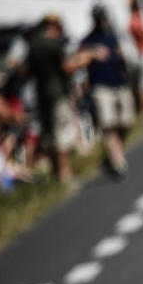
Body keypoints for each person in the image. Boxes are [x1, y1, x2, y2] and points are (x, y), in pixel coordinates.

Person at [25, 13, 96, 185]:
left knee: (50, 135)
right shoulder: (54, 43)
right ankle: (65, 175)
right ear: (54, 25)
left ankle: (56, 173)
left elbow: (27, 70)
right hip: (57, 94)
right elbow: (66, 68)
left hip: (42, 95)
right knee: (61, 135)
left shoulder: (34, 44)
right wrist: (82, 61)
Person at [81, 5, 135, 177]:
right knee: (108, 124)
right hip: (101, 86)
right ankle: (117, 161)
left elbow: (125, 58)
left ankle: (116, 151)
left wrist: (123, 56)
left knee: (125, 122)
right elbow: (78, 62)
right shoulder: (87, 41)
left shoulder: (113, 37)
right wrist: (91, 55)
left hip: (119, 83)